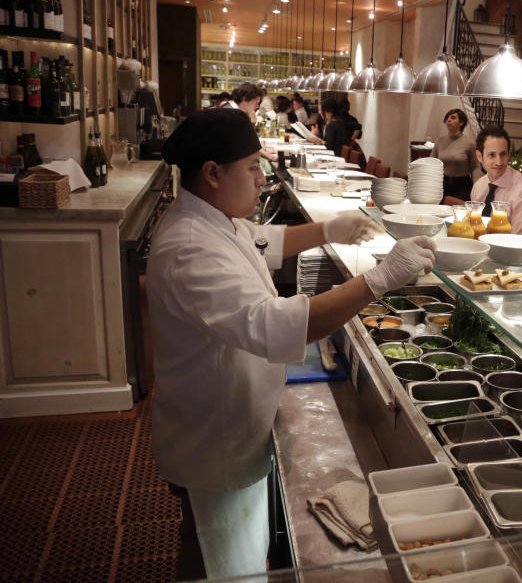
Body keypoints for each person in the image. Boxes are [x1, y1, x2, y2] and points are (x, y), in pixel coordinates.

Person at [148, 108, 436, 579]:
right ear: (213, 173)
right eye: (251, 168)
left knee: (219, 550)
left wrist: (328, 229)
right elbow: (276, 323)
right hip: (215, 440)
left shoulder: (214, 218)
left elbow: (262, 241)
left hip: (230, 419)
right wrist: (378, 280)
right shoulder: (189, 247)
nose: (262, 179)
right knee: (220, 564)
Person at [469, 127, 522, 237]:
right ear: (479, 156)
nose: (499, 162)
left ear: (509, 154)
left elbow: (520, 242)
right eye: (492, 155)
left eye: (503, 154)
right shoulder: (479, 186)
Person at [431, 109, 479, 202]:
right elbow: (432, 163)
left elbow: (475, 167)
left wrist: (477, 187)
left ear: (461, 122)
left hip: (462, 185)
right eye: (447, 118)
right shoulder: (440, 141)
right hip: (442, 184)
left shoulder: (469, 142)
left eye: (453, 118)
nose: (448, 120)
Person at [224, 83, 276, 162]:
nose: (257, 106)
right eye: (256, 102)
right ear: (245, 99)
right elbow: (248, 144)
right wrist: (272, 157)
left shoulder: (229, 108)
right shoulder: (234, 114)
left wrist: (263, 150)